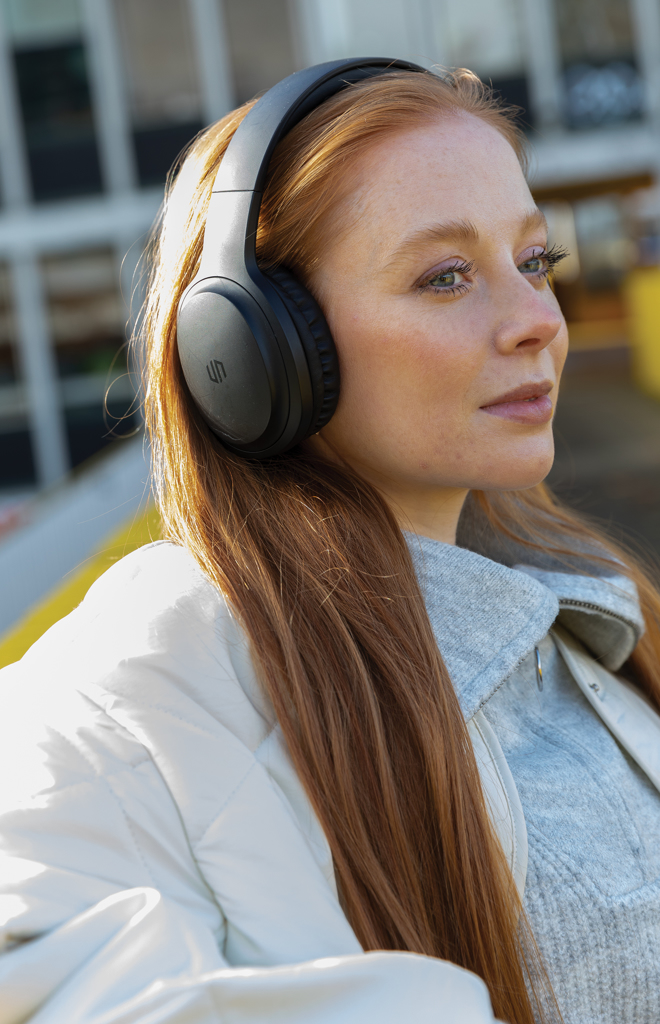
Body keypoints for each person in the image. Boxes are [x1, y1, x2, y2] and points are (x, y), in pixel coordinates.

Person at [1, 61, 660, 1024]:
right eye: (445, 277)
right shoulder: (141, 683)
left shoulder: (593, 616)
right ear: (256, 350)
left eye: (534, 262)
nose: (538, 323)